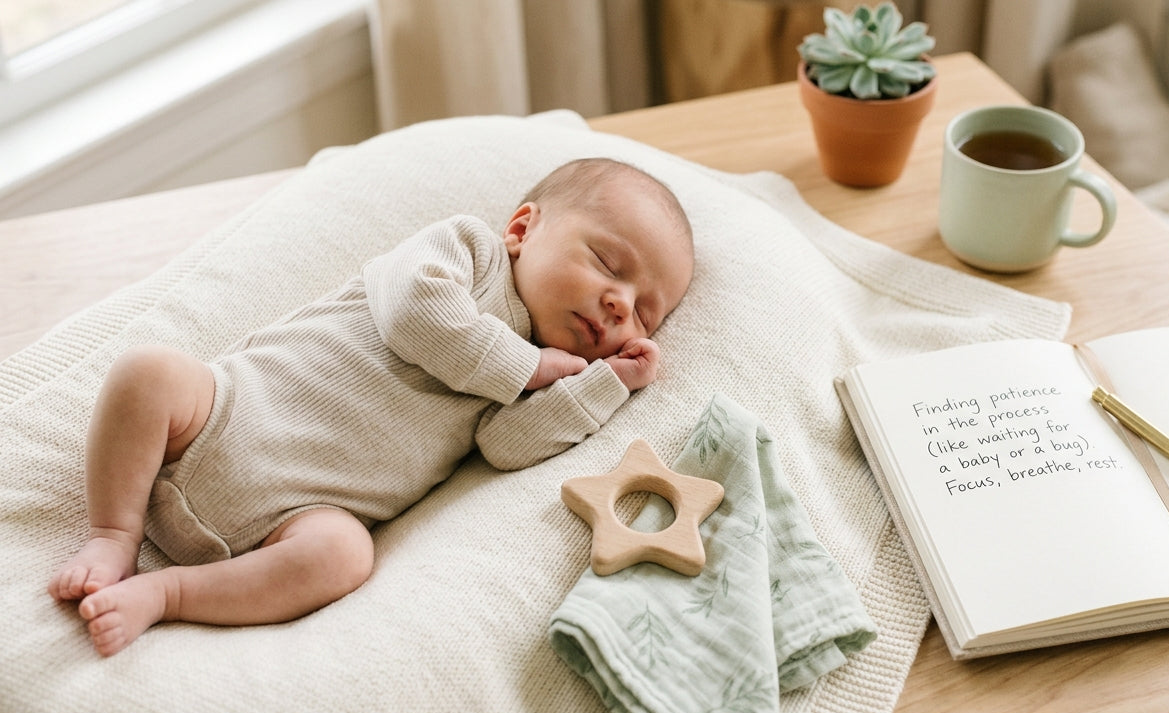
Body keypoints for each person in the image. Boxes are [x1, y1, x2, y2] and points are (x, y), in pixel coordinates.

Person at [47, 157, 696, 657]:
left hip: (296, 516)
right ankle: (113, 536)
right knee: (149, 372)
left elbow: (509, 446)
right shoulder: (467, 252)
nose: (620, 304)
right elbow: (414, 312)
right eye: (608, 263)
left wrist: (603, 385)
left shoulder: (558, 377)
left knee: (345, 556)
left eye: (644, 312)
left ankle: (167, 593)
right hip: (222, 417)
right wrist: (522, 365)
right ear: (524, 229)